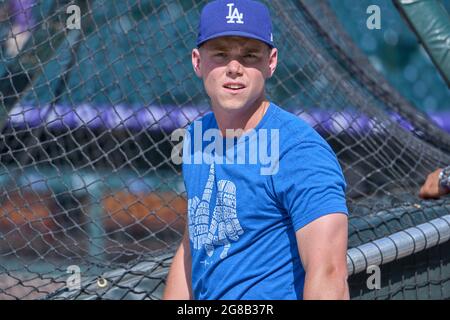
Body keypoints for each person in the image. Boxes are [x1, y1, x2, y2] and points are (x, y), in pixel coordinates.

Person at [164, 0, 349, 300]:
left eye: (249, 56)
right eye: (221, 55)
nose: (234, 68)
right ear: (197, 61)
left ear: (271, 62)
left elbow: (329, 274)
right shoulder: (197, 136)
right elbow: (192, 247)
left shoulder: (299, 150)